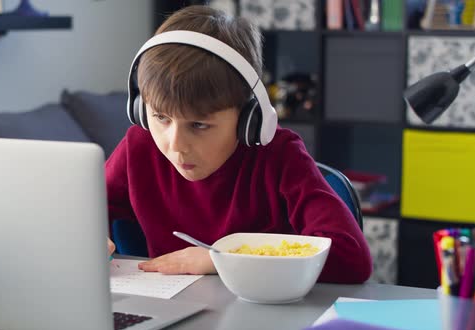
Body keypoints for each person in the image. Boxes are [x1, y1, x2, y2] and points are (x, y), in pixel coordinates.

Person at [106, 5, 372, 283]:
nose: (176, 145)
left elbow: (351, 257)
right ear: (138, 109)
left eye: (198, 125)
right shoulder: (139, 146)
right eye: (161, 117)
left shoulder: (280, 156)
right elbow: (81, 211)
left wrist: (221, 259)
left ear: (249, 118)